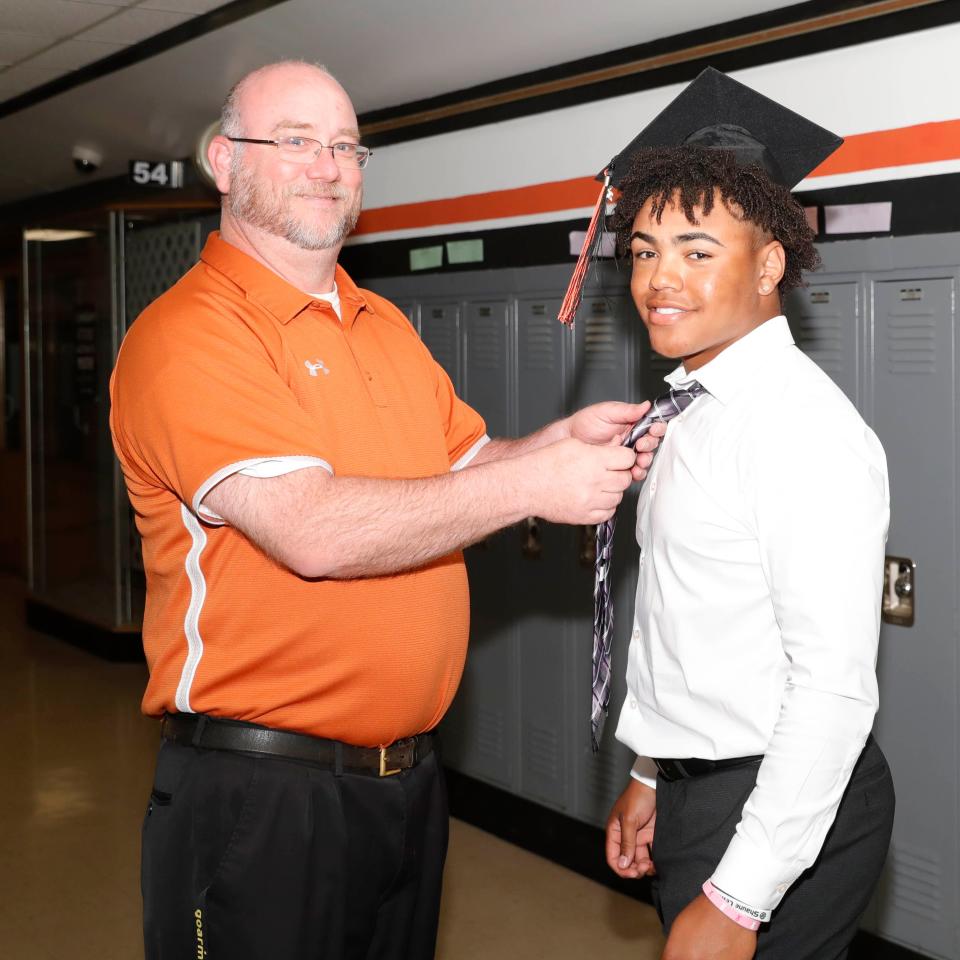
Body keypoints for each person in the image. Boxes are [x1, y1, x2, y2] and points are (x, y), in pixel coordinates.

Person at [109, 60, 664, 960]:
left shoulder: (382, 326)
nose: (327, 166)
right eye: (294, 142)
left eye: (345, 146)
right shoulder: (188, 336)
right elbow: (311, 529)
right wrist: (530, 489)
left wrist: (558, 445)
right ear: (224, 161)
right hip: (261, 798)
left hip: (403, 787)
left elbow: (465, 462)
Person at [599, 69, 895, 960]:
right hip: (705, 787)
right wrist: (654, 771)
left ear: (770, 265)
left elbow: (833, 687)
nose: (660, 279)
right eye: (645, 251)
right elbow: (685, 622)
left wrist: (737, 896)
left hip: (780, 807)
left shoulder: (799, 430)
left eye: (696, 250)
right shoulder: (690, 407)